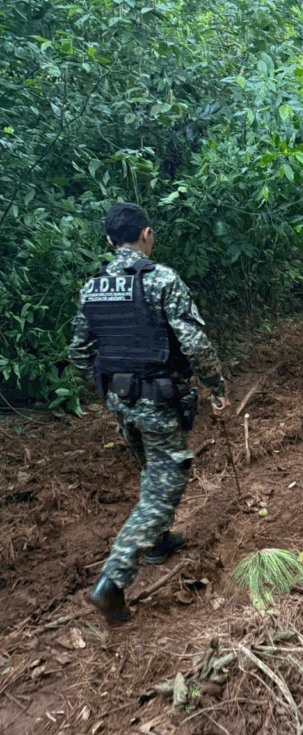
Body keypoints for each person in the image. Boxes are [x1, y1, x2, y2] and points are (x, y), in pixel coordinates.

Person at [69, 202, 231, 623]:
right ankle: (112, 580)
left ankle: (158, 542)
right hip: (157, 399)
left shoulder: (93, 288)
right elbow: (194, 344)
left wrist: (111, 389)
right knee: (163, 486)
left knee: (150, 468)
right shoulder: (161, 279)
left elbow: (80, 354)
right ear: (146, 234)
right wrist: (216, 388)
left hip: (120, 401)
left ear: (110, 240)